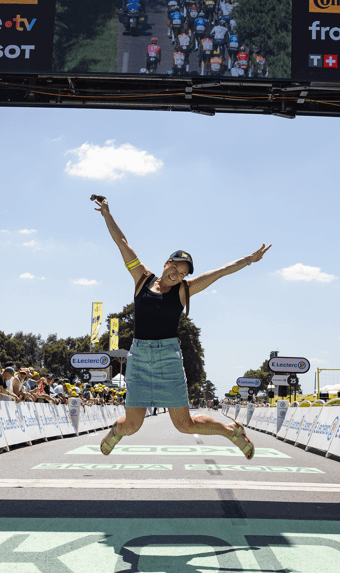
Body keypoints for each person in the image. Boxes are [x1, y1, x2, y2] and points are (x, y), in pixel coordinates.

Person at [92, 195, 270, 457]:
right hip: (139, 358)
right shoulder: (141, 278)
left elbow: (220, 271)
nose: (178, 275)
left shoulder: (184, 291)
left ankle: (231, 430)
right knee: (132, 425)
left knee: (184, 425)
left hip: (168, 358)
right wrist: (107, 214)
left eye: (184, 273)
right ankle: (115, 432)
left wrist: (248, 260)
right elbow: (122, 243)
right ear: (167, 264)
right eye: (175, 269)